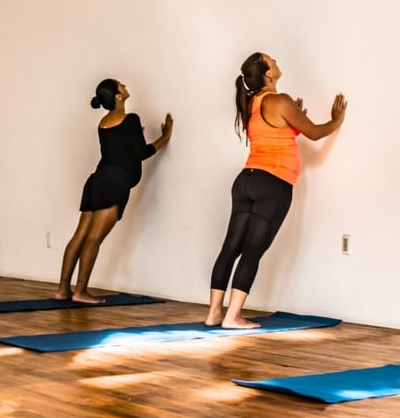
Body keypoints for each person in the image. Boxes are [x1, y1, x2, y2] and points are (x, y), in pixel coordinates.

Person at [205, 52, 347, 328]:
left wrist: (296, 118)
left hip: (247, 179)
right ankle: (233, 316)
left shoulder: (251, 103)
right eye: (272, 60)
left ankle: (214, 313)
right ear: (268, 73)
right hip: (273, 184)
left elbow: (275, 132)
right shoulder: (280, 100)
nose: (277, 61)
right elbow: (316, 133)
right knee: (252, 251)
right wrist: (336, 121)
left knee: (230, 248)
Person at [54, 79, 173, 303]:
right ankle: (80, 291)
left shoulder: (104, 122)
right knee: (94, 238)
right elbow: (140, 153)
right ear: (118, 96)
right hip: (114, 183)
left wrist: (135, 134)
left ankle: (62, 290)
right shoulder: (131, 119)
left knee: (79, 236)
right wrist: (164, 138)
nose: (126, 86)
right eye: (122, 85)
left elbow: (120, 150)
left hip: (96, 180)